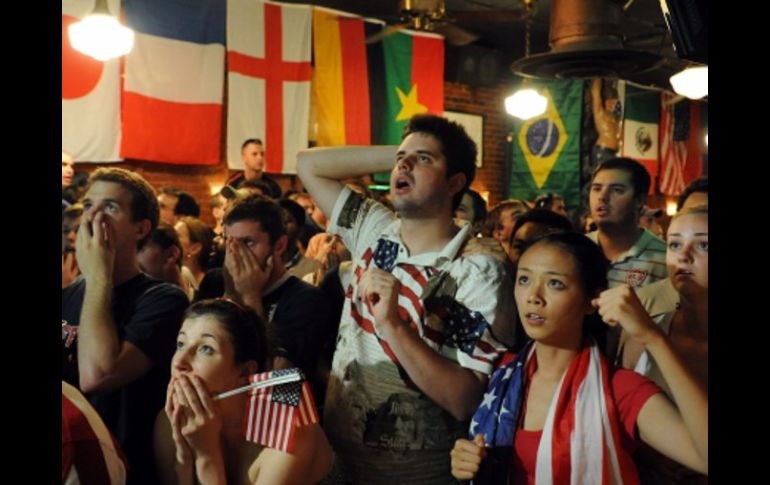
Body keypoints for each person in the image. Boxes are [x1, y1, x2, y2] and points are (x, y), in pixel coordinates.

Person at [297, 113, 513, 483]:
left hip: (417, 476)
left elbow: (465, 400)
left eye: (424, 159)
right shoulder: (374, 228)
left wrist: (393, 325)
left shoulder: (476, 271)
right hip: (336, 468)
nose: (404, 165)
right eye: (401, 159)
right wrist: (407, 153)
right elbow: (309, 164)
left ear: (455, 182)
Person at [449, 232, 707, 484]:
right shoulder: (503, 373)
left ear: (590, 300)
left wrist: (654, 338)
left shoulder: (617, 390)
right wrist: (466, 459)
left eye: (554, 283)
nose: (533, 297)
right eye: (524, 279)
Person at [62, 167, 189, 484]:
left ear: (141, 228)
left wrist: (98, 277)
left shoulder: (163, 300)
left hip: (124, 469)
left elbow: (98, 375)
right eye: (89, 205)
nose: (94, 217)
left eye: (110, 207)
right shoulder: (67, 295)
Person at [154, 299, 333, 484]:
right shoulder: (170, 421)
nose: (179, 362)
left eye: (206, 348)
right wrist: (183, 464)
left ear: (246, 372)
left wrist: (206, 456)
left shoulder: (287, 426)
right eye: (181, 344)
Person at [619, 206, 708, 484]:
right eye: (675, 244)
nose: (683, 256)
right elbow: (622, 415)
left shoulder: (649, 333)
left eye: (703, 245)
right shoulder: (645, 332)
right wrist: (649, 452)